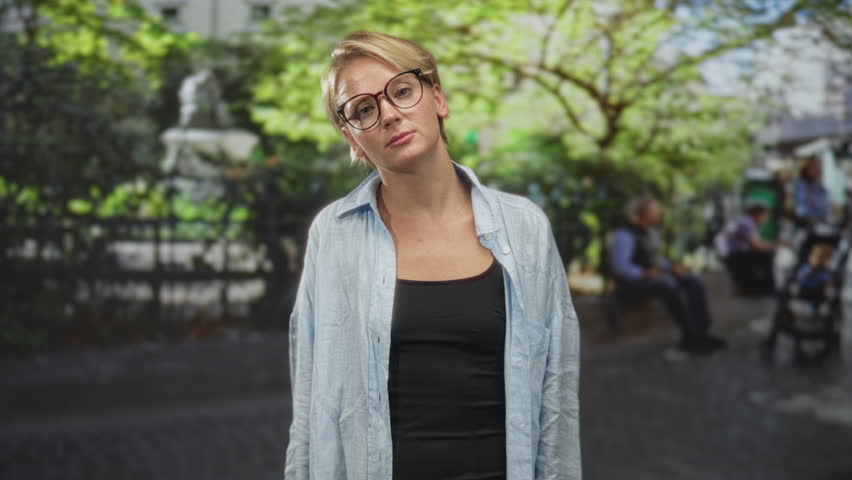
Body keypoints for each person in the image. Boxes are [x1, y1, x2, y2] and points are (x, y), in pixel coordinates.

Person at [284, 31, 581, 480]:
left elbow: (556, 396)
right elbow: (310, 402)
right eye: (363, 109)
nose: (387, 114)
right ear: (352, 137)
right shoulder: (335, 233)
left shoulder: (525, 228)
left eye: (401, 91)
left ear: (437, 98)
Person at [610, 197, 726, 354]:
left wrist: (673, 268)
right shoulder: (624, 235)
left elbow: (657, 259)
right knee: (668, 285)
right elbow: (620, 267)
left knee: (693, 280)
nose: (658, 214)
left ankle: (702, 332)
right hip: (633, 282)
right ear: (643, 213)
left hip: (656, 276)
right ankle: (689, 337)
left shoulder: (651, 233)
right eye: (655, 211)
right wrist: (643, 273)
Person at [718, 200, 778, 296]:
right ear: (758, 214)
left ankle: (762, 286)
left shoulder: (745, 221)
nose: (765, 219)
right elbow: (756, 246)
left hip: (734, 255)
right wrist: (775, 245)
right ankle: (770, 288)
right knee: (767, 255)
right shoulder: (747, 222)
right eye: (765, 215)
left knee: (766, 254)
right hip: (735, 256)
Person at [793, 156, 829, 226]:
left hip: (820, 221)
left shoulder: (819, 186)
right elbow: (800, 204)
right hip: (805, 221)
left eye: (818, 168)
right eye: (814, 168)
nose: (817, 170)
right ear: (806, 169)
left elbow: (824, 205)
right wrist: (808, 217)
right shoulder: (801, 184)